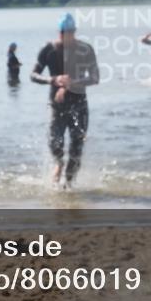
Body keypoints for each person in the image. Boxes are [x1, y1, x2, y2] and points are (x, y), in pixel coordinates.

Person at [30, 13, 100, 186]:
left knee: (77, 146)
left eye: (70, 33)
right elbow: (33, 74)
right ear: (59, 32)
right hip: (57, 105)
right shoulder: (49, 49)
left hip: (79, 105)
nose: (67, 37)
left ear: (74, 32)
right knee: (54, 142)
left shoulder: (85, 49)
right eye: (64, 33)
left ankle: (68, 186)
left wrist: (72, 83)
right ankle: (59, 164)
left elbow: (95, 77)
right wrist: (53, 80)